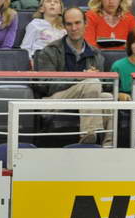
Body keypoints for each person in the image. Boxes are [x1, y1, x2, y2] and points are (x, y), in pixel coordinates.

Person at [35, 7, 114, 145]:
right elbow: (45, 85)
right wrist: (79, 77)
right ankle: (88, 137)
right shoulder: (50, 51)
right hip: (54, 100)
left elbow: (103, 85)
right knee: (91, 82)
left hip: (87, 98)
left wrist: (99, 78)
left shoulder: (95, 54)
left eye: (78, 23)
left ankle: (109, 144)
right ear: (64, 26)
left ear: (85, 24)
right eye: (69, 24)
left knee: (108, 98)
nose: (74, 28)